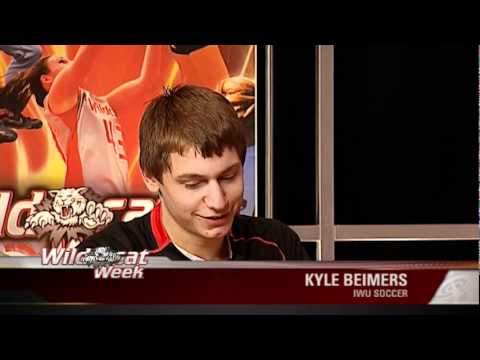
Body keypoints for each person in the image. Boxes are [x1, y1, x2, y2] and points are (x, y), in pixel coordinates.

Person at [77, 85, 311, 260]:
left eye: (228, 177)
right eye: (193, 184)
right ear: (151, 178)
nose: (218, 202)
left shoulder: (277, 244)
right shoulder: (105, 257)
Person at [0, 45, 170, 195]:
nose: (70, 62)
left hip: (113, 196)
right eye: (61, 61)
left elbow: (150, 83)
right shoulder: (56, 100)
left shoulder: (101, 104)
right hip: (85, 199)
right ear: (46, 79)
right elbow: (83, 63)